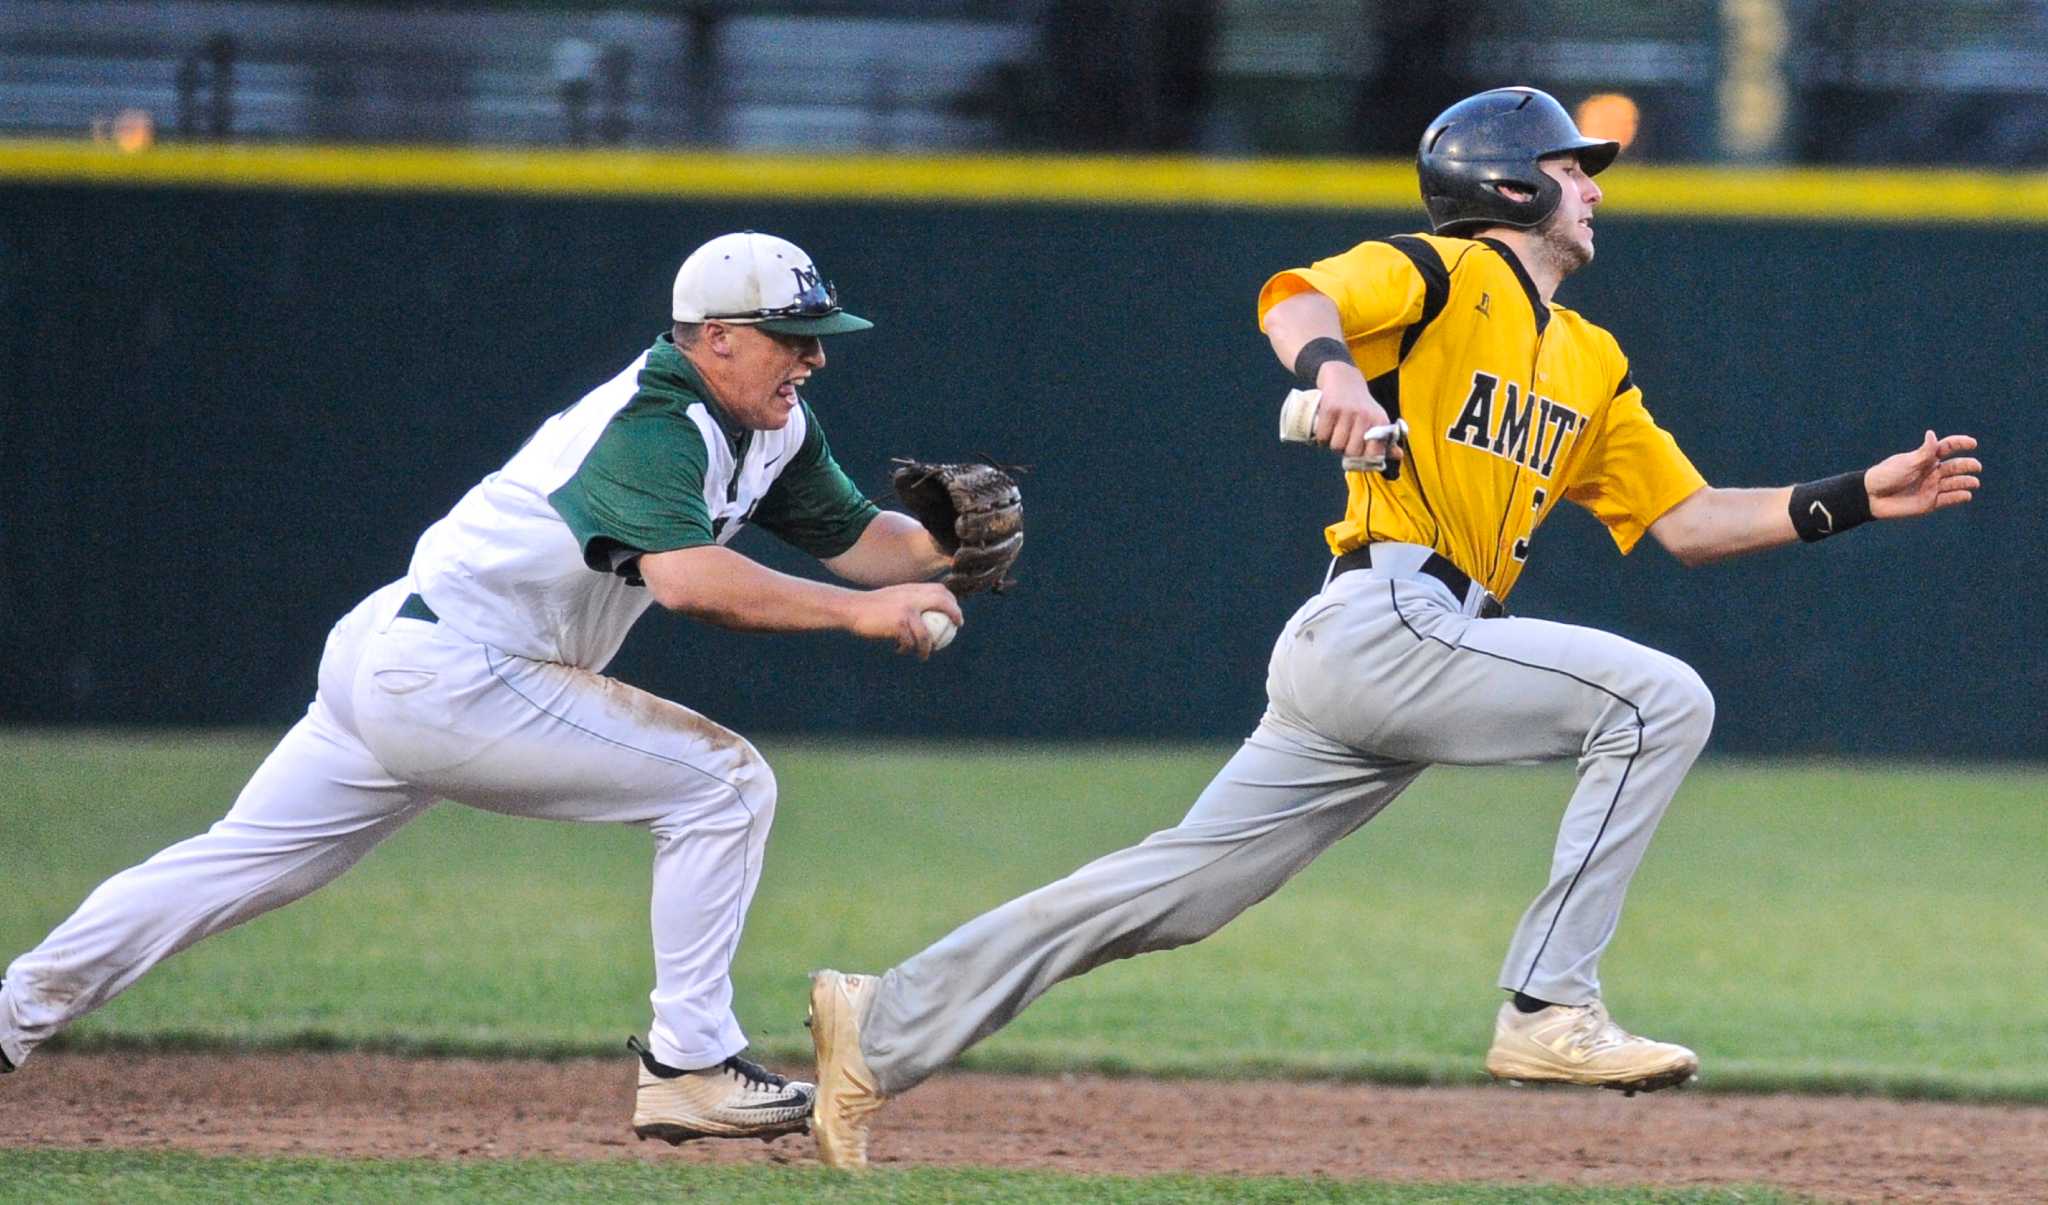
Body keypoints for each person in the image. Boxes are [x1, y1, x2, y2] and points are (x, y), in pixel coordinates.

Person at [803, 87, 1984, 1169]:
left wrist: (1850, 498)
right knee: (1659, 697)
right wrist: (1337, 375)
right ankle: (1546, 1007)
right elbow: (1293, 295)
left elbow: (1683, 519)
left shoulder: (1586, 356)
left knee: (1176, 893)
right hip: (1386, 618)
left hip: (1394, 651)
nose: (1596, 188)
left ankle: (881, 1018)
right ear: (1512, 184)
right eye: (1577, 168)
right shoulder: (1436, 271)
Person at [0, 231, 968, 1146]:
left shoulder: (771, 425)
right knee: (724, 784)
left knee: (230, 865)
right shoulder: (657, 420)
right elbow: (686, 580)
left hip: (410, 655)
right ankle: (690, 1057)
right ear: (715, 337)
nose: (813, 359)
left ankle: (11, 1010)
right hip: (456, 669)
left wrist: (942, 545)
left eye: (816, 339)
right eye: (792, 338)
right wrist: (856, 616)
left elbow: (862, 545)